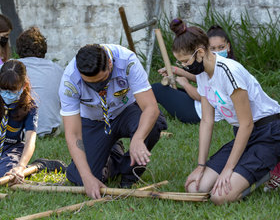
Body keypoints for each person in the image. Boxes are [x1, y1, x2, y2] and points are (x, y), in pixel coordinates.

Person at [169, 18, 280, 205]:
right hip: (244, 135)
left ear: (201, 52)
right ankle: (247, 168)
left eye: (185, 61)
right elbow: (206, 121)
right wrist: (200, 165)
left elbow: (247, 123)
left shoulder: (229, 72)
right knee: (196, 188)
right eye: (180, 63)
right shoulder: (202, 74)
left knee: (220, 197)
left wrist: (228, 168)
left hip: (269, 132)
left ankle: (272, 167)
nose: (184, 67)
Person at [59, 44, 167, 199]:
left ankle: (130, 174)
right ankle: (113, 153)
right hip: (94, 120)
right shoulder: (69, 80)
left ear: (110, 64)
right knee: (81, 179)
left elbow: (151, 108)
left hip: (127, 111)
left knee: (152, 125)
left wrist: (138, 138)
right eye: (90, 83)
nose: (97, 87)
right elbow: (73, 134)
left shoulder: (127, 60)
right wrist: (87, 176)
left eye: (101, 80)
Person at [152, 25, 235, 123]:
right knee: (165, 90)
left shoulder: (225, 70)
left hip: (197, 113)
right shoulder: (213, 66)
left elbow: (201, 96)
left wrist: (185, 84)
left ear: (201, 51)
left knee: (156, 89)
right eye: (213, 48)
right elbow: (200, 78)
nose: (217, 52)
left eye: (221, 47)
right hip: (200, 108)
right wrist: (175, 70)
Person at [16, 27, 64, 137]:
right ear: (44, 50)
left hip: (16, 131)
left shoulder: (7, 68)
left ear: (18, 49)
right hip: (50, 131)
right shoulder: (58, 70)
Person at [0, 60, 38, 185]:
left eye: (12, 91)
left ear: (24, 86)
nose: (6, 95)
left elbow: (30, 141)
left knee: (8, 173)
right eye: (3, 90)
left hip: (12, 148)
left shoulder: (29, 107)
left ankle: (36, 166)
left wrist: (21, 167)